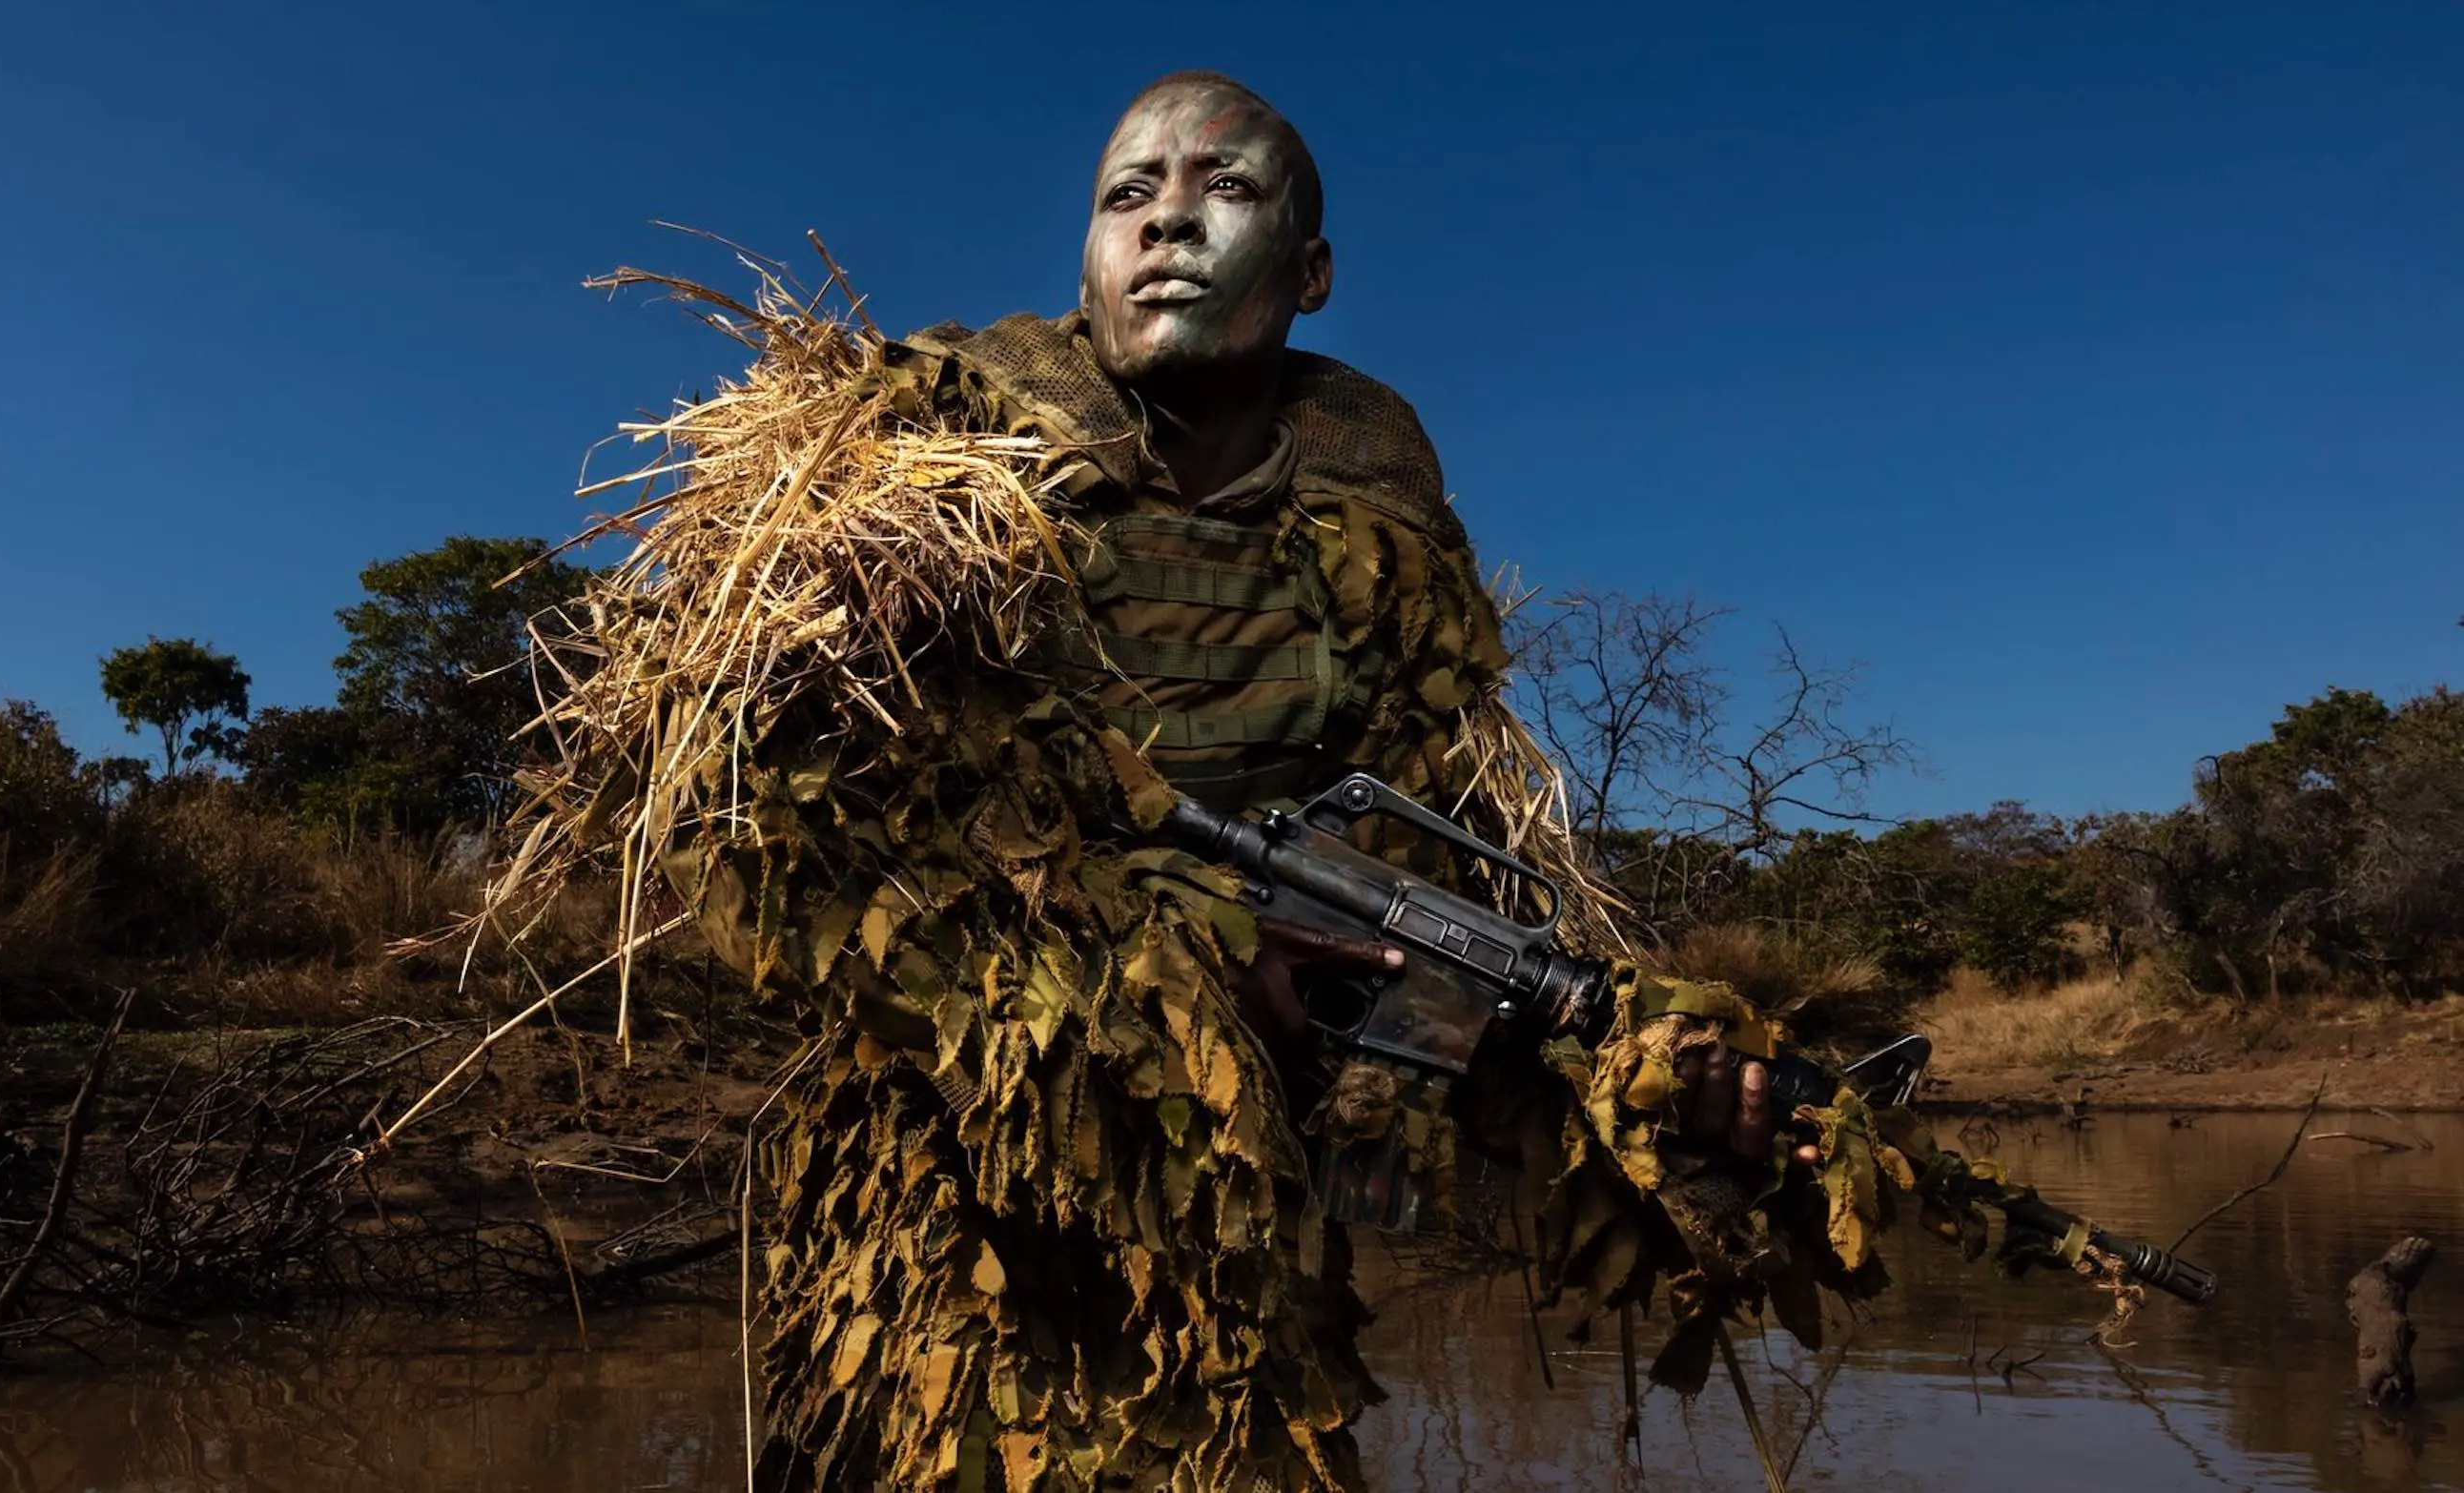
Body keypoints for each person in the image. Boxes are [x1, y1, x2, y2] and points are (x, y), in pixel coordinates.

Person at [702, 71, 1820, 1492]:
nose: (1166, 221)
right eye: (1128, 195)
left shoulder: (1376, 527)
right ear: (1088, 261)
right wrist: (1174, 959)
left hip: (1250, 1274)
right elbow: (767, 826)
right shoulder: (931, 462)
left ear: (1312, 273)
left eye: (1221, 189)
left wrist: (1650, 1105)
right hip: (945, 1236)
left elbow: (1436, 924)